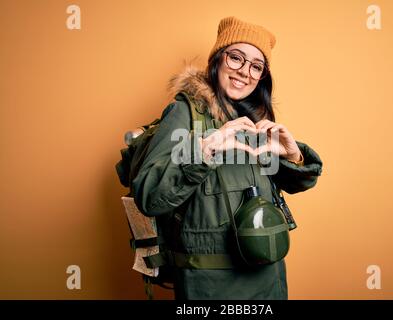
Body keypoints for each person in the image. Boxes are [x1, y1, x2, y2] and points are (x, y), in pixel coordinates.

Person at [132, 16, 323, 300]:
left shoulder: (255, 119)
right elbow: (150, 197)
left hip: (269, 280)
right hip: (210, 286)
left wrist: (294, 157)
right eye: (236, 58)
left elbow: (295, 184)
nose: (245, 72)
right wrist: (205, 150)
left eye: (256, 66)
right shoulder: (185, 113)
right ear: (218, 59)